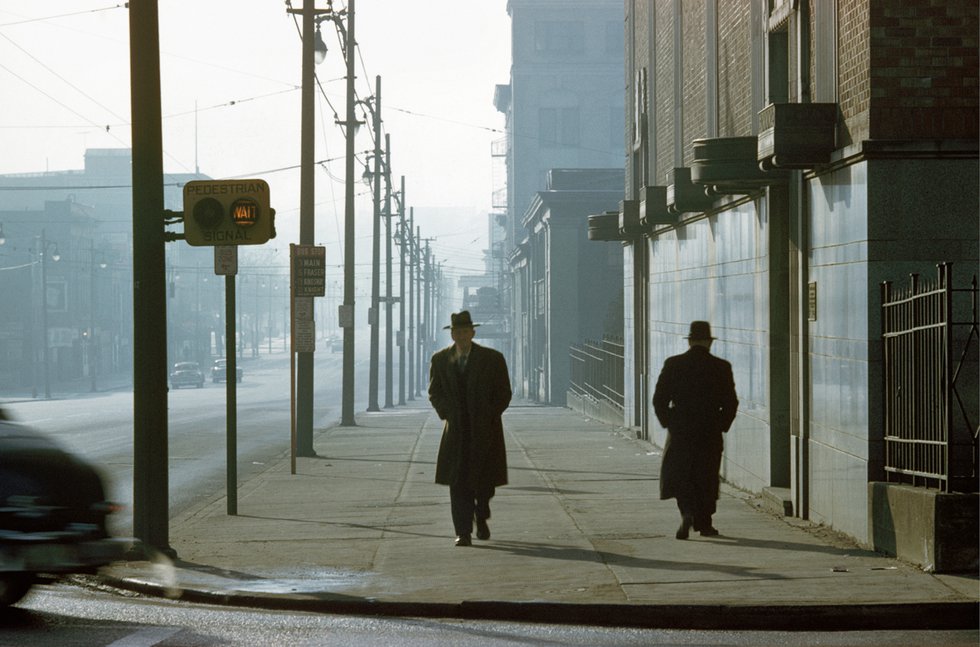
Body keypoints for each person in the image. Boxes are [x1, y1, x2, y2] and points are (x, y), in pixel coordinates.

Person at [428, 310, 512, 547]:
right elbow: (435, 393)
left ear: (472, 333)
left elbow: (504, 393)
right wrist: (447, 413)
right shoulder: (440, 360)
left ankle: (481, 513)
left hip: (486, 431)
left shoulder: (492, 359)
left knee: (485, 483)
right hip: (456, 432)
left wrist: (490, 414)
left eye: (466, 332)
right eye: (458, 332)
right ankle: (463, 532)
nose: (462, 336)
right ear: (452, 335)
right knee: (459, 482)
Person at [652, 321, 739, 539]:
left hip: (681, 428)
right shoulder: (721, 367)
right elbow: (731, 402)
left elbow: (659, 399)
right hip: (709, 429)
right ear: (709, 342)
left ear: (690, 341)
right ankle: (705, 523)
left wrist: (669, 421)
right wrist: (721, 424)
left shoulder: (673, 364)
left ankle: (686, 512)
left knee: (682, 474)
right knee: (707, 475)